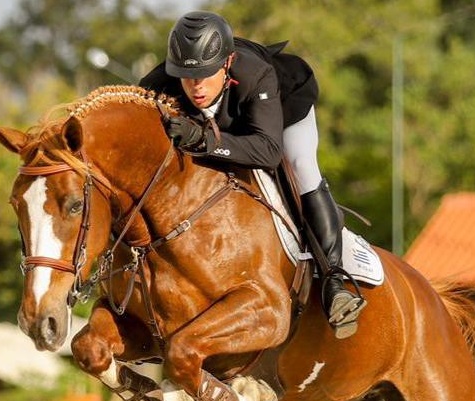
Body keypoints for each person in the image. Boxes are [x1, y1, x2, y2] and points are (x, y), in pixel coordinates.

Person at [139, 11, 365, 338]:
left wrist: (203, 140)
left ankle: (335, 281)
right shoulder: (160, 83)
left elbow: (268, 150)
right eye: (187, 77)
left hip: (280, 113)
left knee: (301, 165)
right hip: (226, 127)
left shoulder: (255, 74)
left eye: (205, 74)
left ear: (227, 62)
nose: (196, 86)